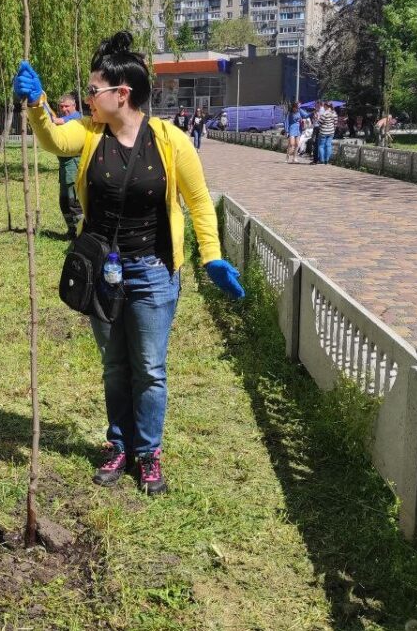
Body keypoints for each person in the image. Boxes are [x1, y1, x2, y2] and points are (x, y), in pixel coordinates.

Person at [13, 31, 245, 495]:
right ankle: (118, 444)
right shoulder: (89, 132)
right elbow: (55, 140)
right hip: (103, 271)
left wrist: (212, 256)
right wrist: (37, 105)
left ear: (123, 94)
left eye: (94, 90)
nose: (88, 98)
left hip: (154, 272)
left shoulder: (171, 141)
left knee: (150, 368)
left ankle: (149, 452)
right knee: (115, 366)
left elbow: (199, 203)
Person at [52, 91, 84, 239]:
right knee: (64, 201)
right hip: (64, 165)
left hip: (74, 165)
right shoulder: (65, 118)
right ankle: (71, 231)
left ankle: (81, 233)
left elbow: (58, 121)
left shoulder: (76, 118)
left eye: (66, 106)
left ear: (74, 105)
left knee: (74, 201)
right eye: (61, 106)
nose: (64, 109)